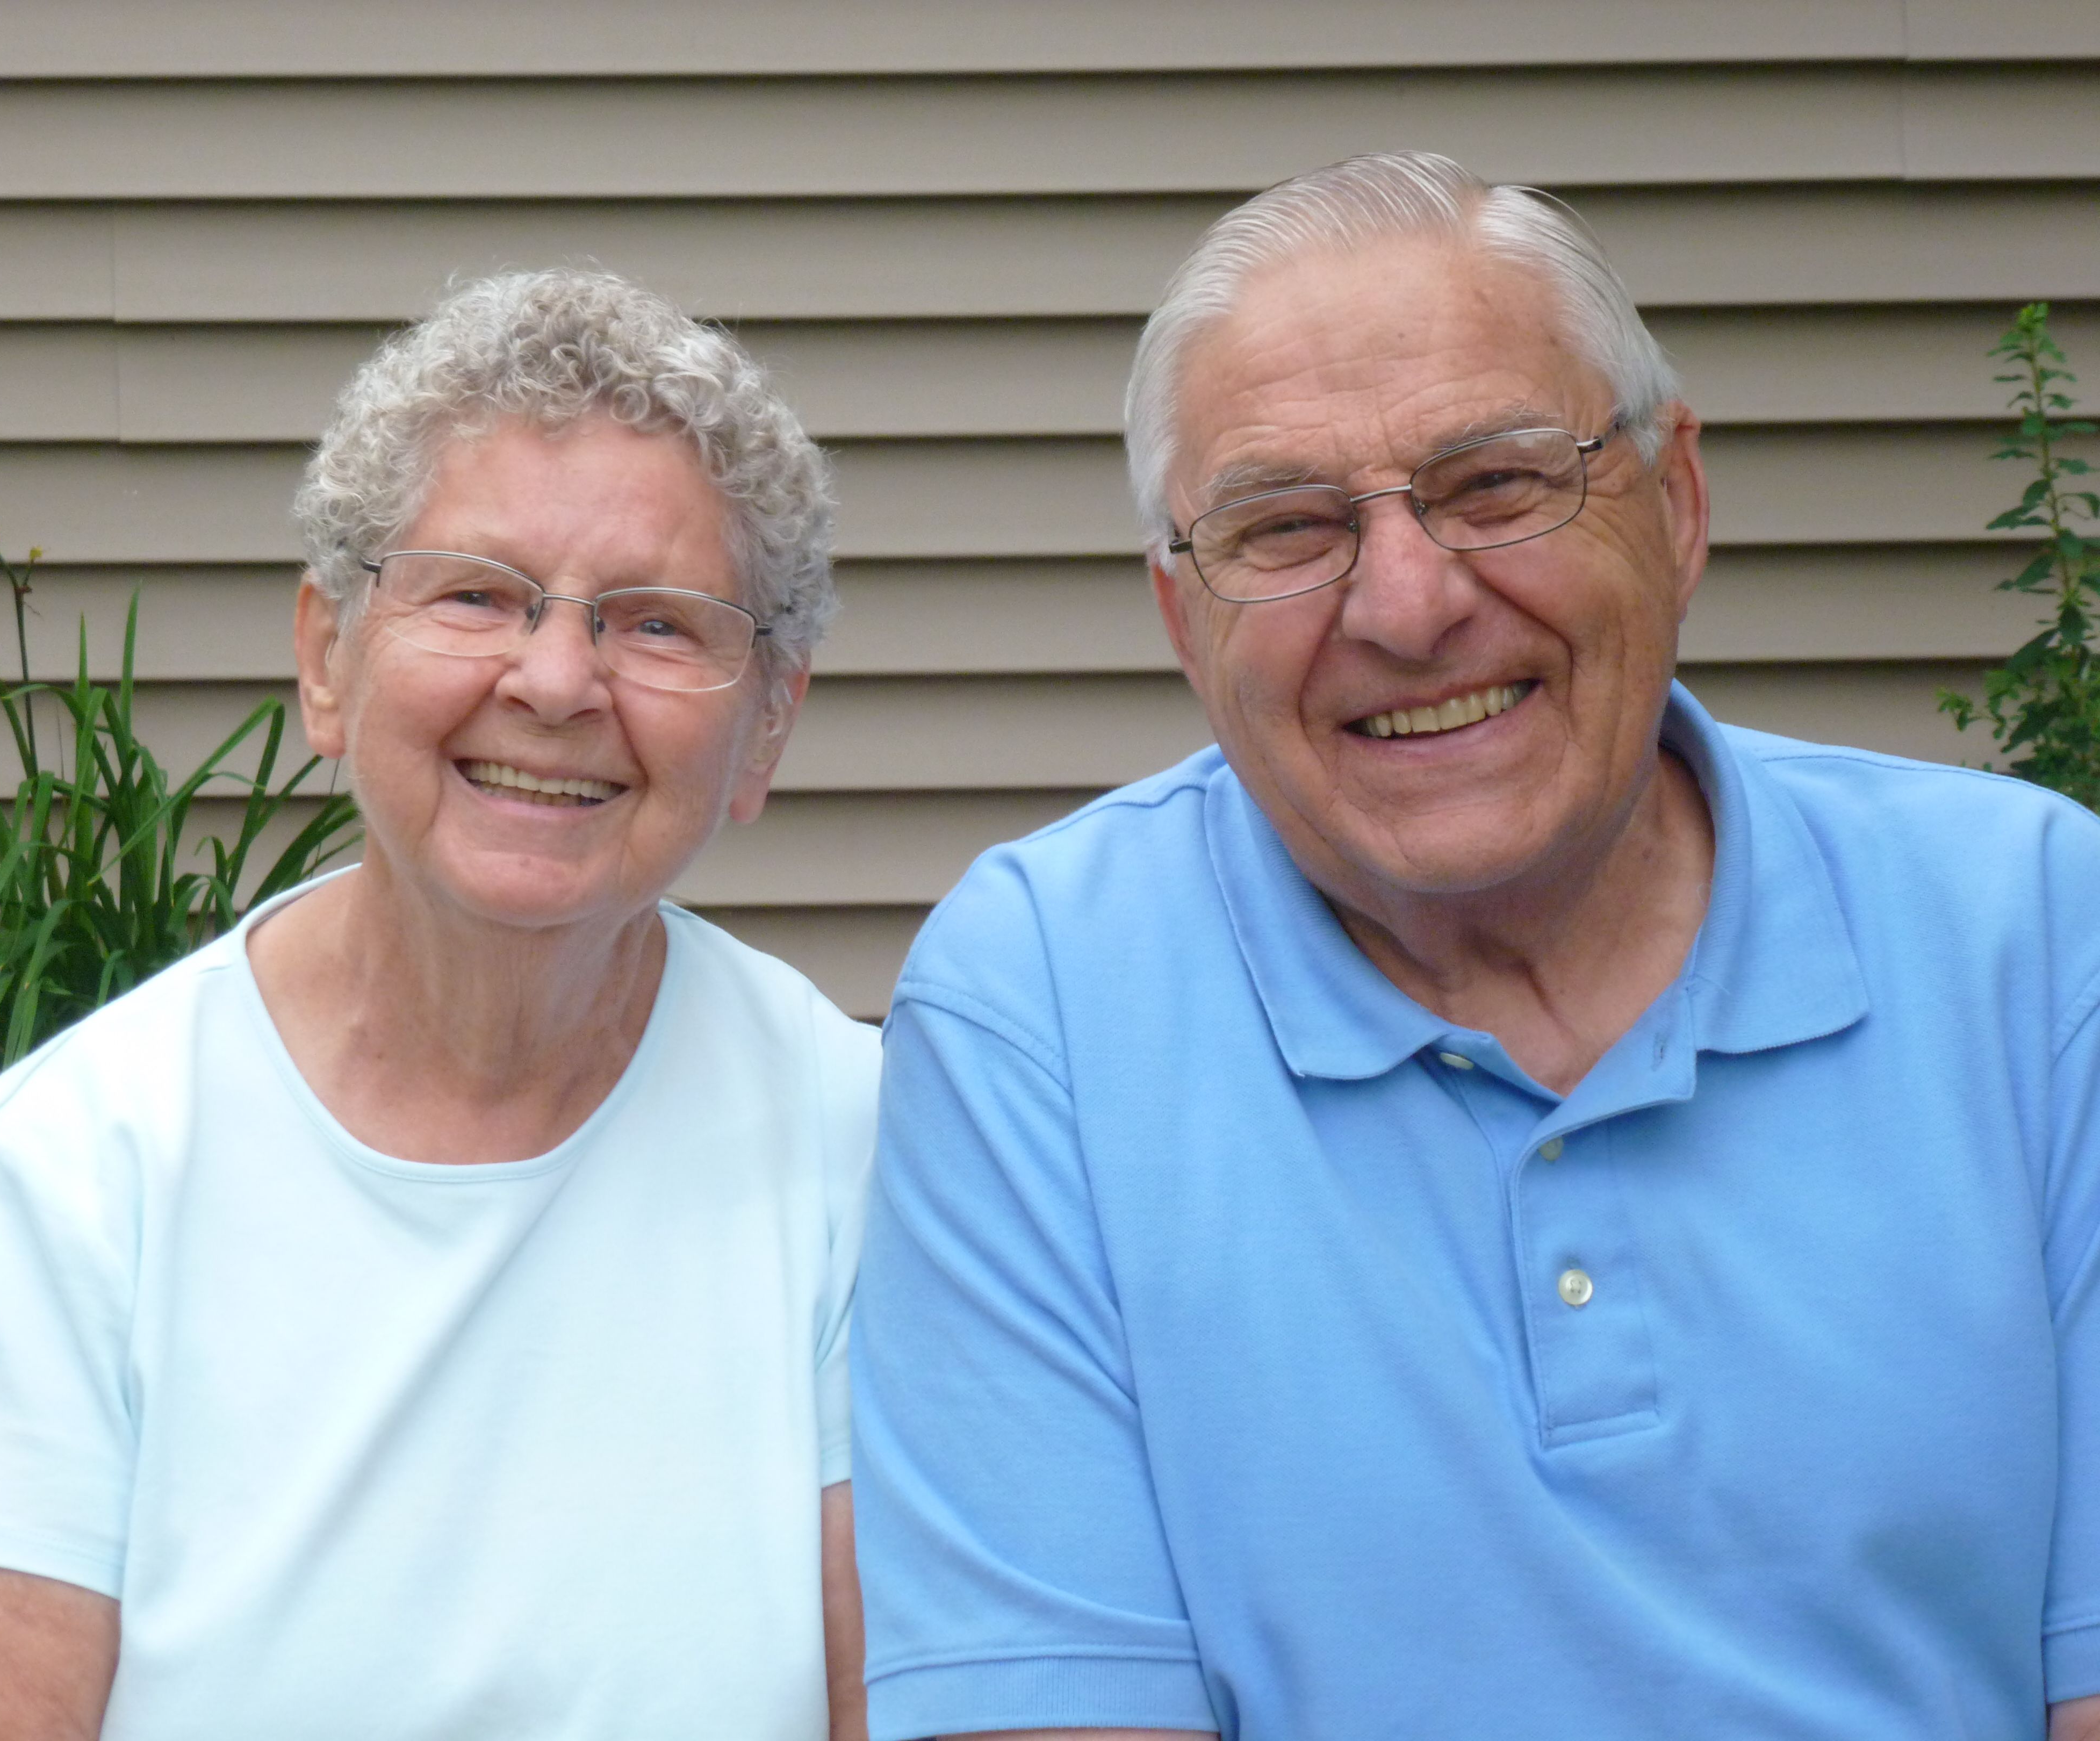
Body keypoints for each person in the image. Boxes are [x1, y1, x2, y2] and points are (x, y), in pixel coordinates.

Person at [849, 152, 2100, 1741]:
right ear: (1184, 620)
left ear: (1679, 504)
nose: (1409, 602)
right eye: (1286, 528)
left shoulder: (2035, 935)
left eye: (1497, 483)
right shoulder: (1044, 1007)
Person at [0, 269, 878, 1741]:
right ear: (329, 661)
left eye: (658, 624)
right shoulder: (82, 1168)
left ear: (764, 723)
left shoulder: (853, 1143)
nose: (558, 678)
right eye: (476, 594)